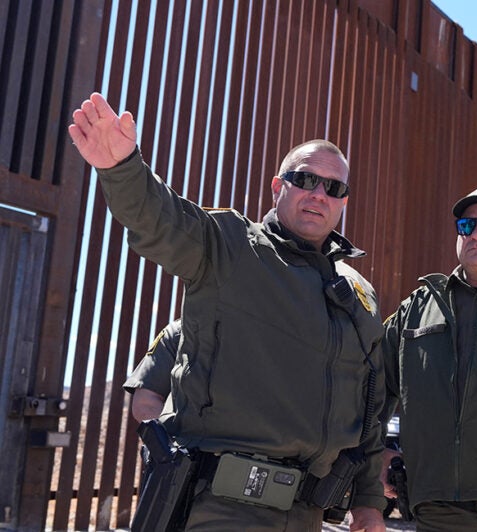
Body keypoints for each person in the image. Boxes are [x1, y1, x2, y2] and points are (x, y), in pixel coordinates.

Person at [68, 93, 387, 531]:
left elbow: (368, 407)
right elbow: (161, 221)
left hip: (308, 515)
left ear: (344, 202)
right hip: (222, 507)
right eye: (305, 179)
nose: (319, 194)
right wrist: (123, 169)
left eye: (334, 188)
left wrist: (369, 503)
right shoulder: (232, 247)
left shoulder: (358, 295)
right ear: (278, 187)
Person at [379, 184, 477, 531]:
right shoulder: (417, 309)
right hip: (437, 505)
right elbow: (373, 385)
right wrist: (381, 448)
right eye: (466, 226)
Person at [124, 319, 180, 423]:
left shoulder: (178, 331)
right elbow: (145, 405)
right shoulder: (178, 333)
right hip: (187, 437)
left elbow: (145, 405)